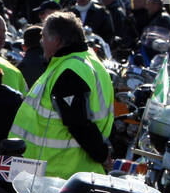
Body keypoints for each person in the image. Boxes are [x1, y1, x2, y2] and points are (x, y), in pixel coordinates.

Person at [8, 11, 115, 178]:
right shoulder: (88, 61)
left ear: (57, 40)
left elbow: (79, 123)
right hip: (63, 170)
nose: (41, 42)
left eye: (43, 37)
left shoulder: (69, 70)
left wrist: (102, 155)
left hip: (55, 174)